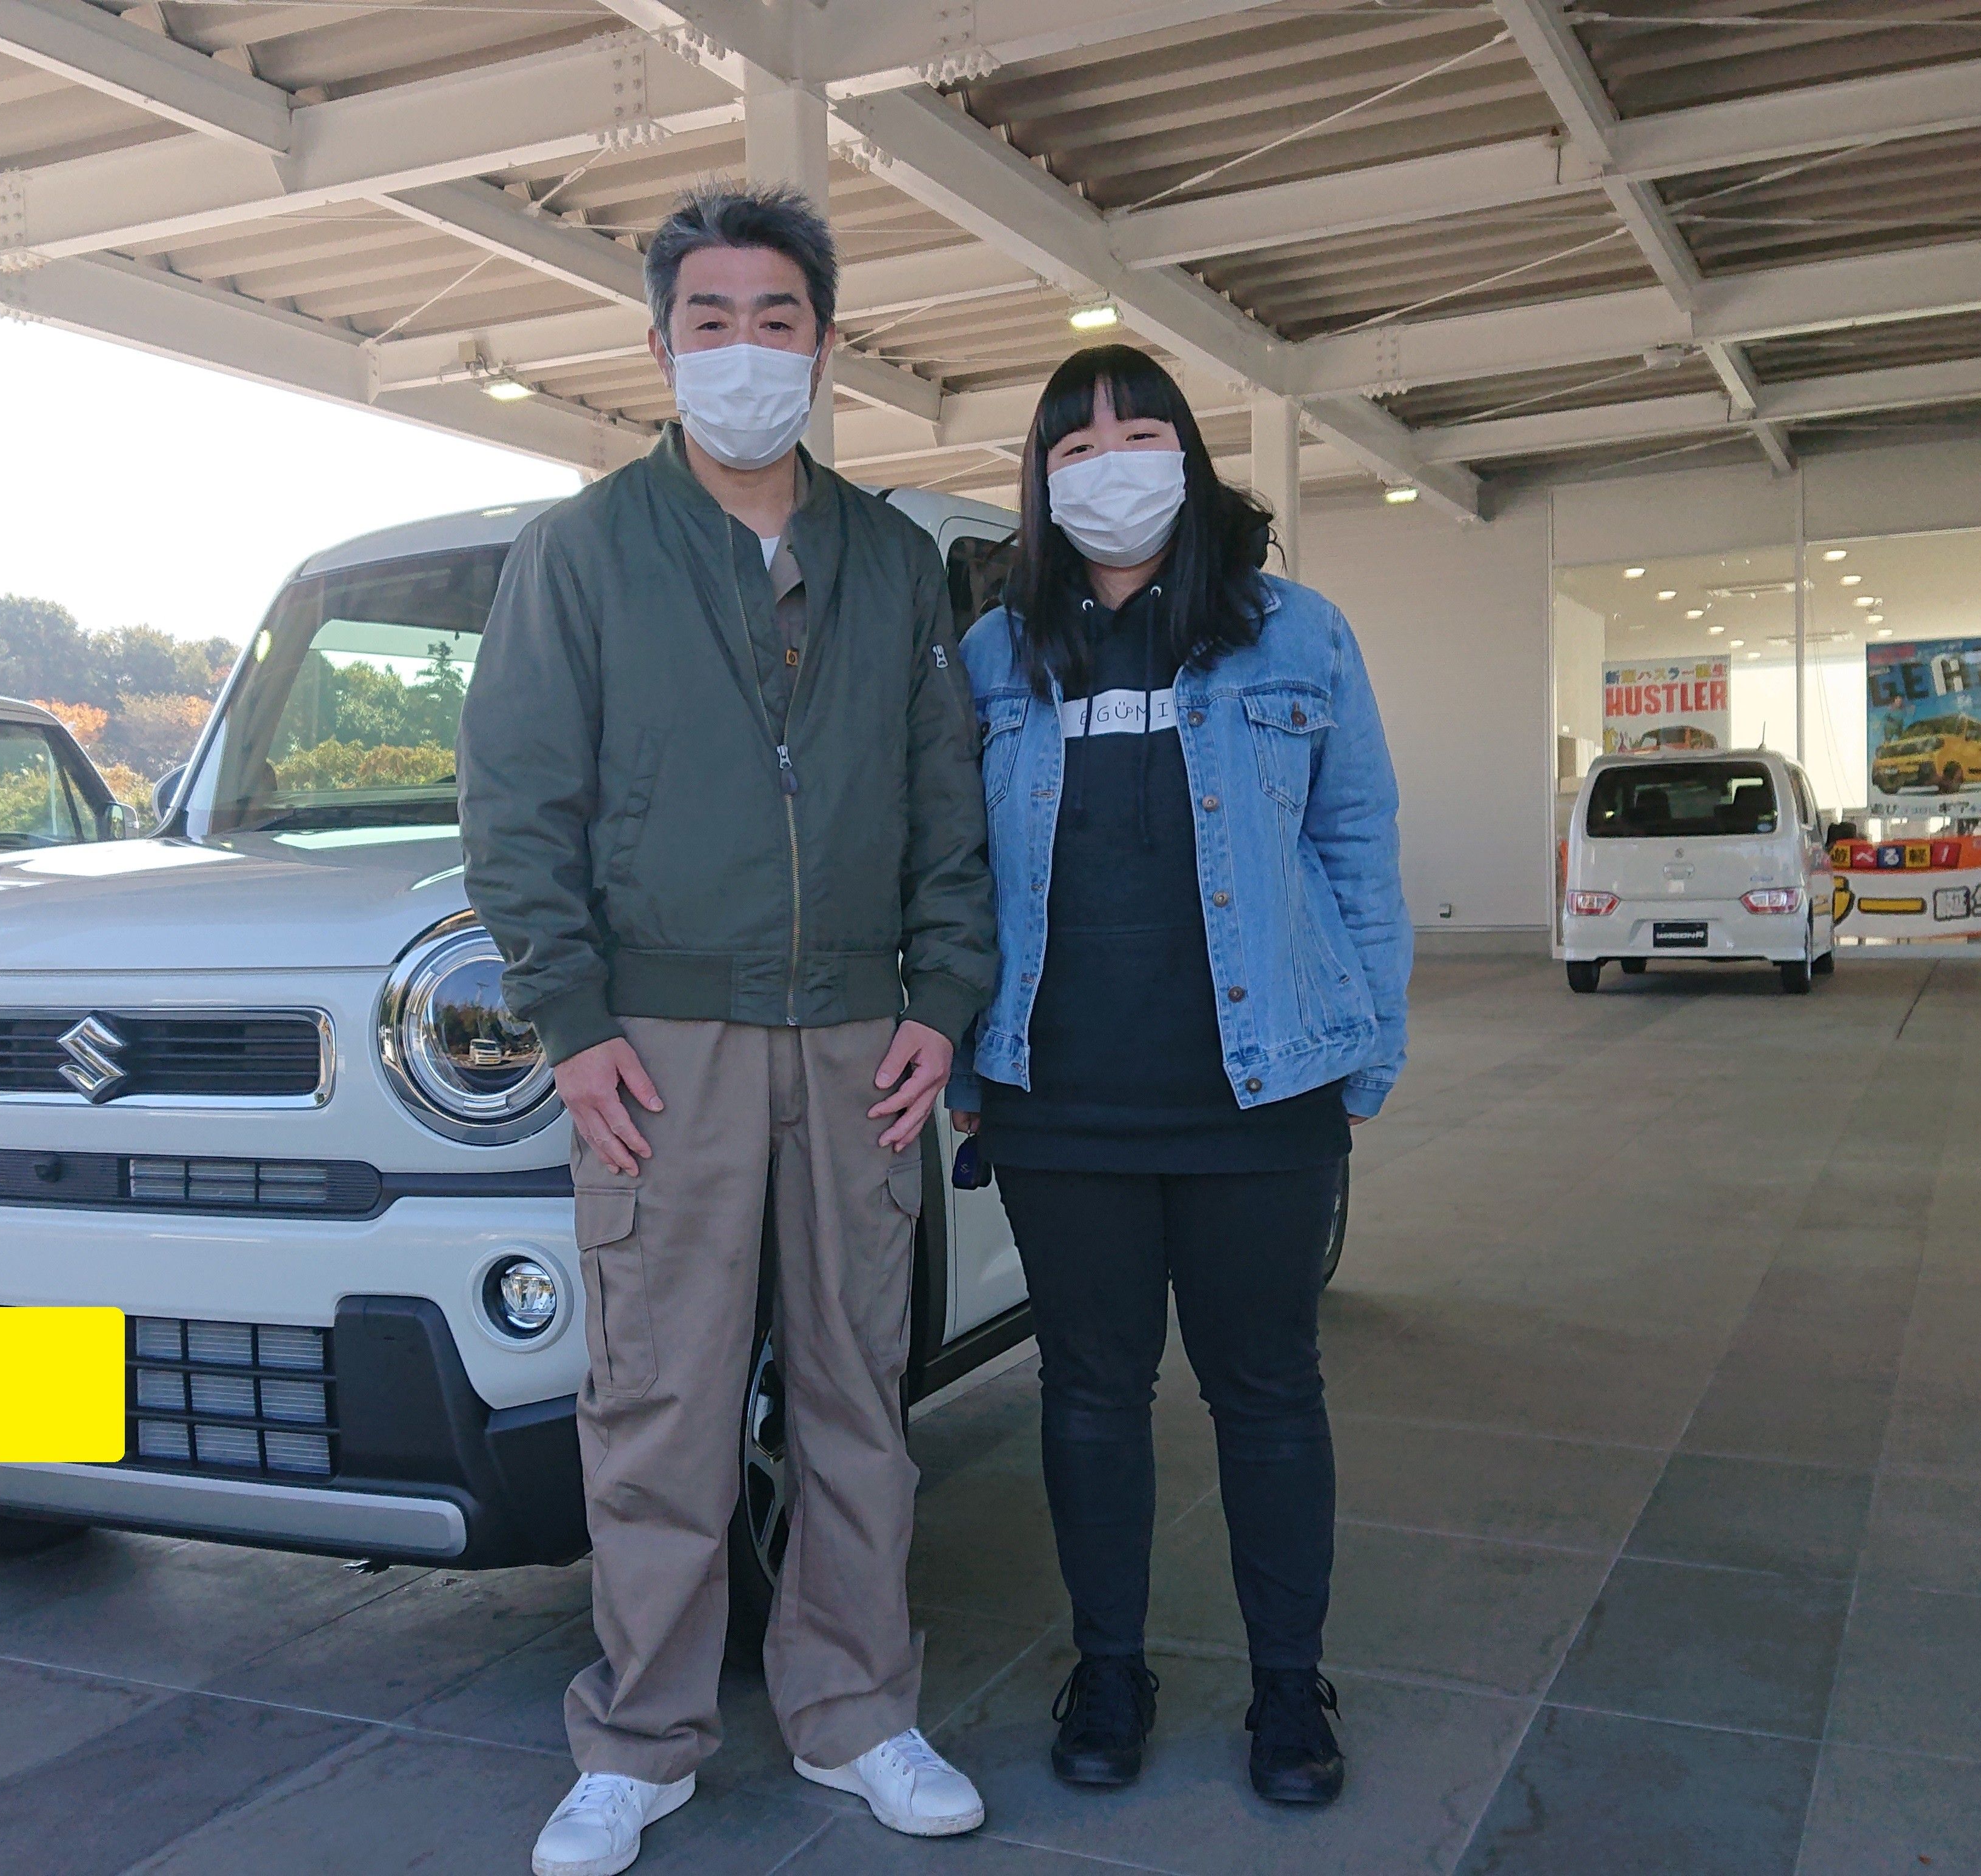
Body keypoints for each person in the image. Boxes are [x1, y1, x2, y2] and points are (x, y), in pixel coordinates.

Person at [461, 182, 998, 1876]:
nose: (746, 350)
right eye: (713, 321)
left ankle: (858, 1712)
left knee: (857, 1391)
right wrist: (571, 1021)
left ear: (825, 349)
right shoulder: (581, 552)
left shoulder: (890, 561)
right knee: (657, 1401)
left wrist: (944, 1002)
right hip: (659, 1042)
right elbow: (517, 807)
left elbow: (947, 809)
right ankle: (639, 1742)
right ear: (660, 347)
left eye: (779, 321)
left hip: (855, 1037)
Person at [945, 343, 1410, 1808]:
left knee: (1266, 1393)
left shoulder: (1295, 633)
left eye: (1138, 435)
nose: (1112, 468)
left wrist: (1370, 1045)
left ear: (1190, 458)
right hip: (1059, 1095)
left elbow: (1357, 844)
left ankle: (1287, 1687)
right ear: (1040, 482)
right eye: (1074, 448)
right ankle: (1111, 1668)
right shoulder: (991, 654)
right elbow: (949, 873)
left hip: (1258, 1092)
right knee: (1089, 1395)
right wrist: (960, 1056)